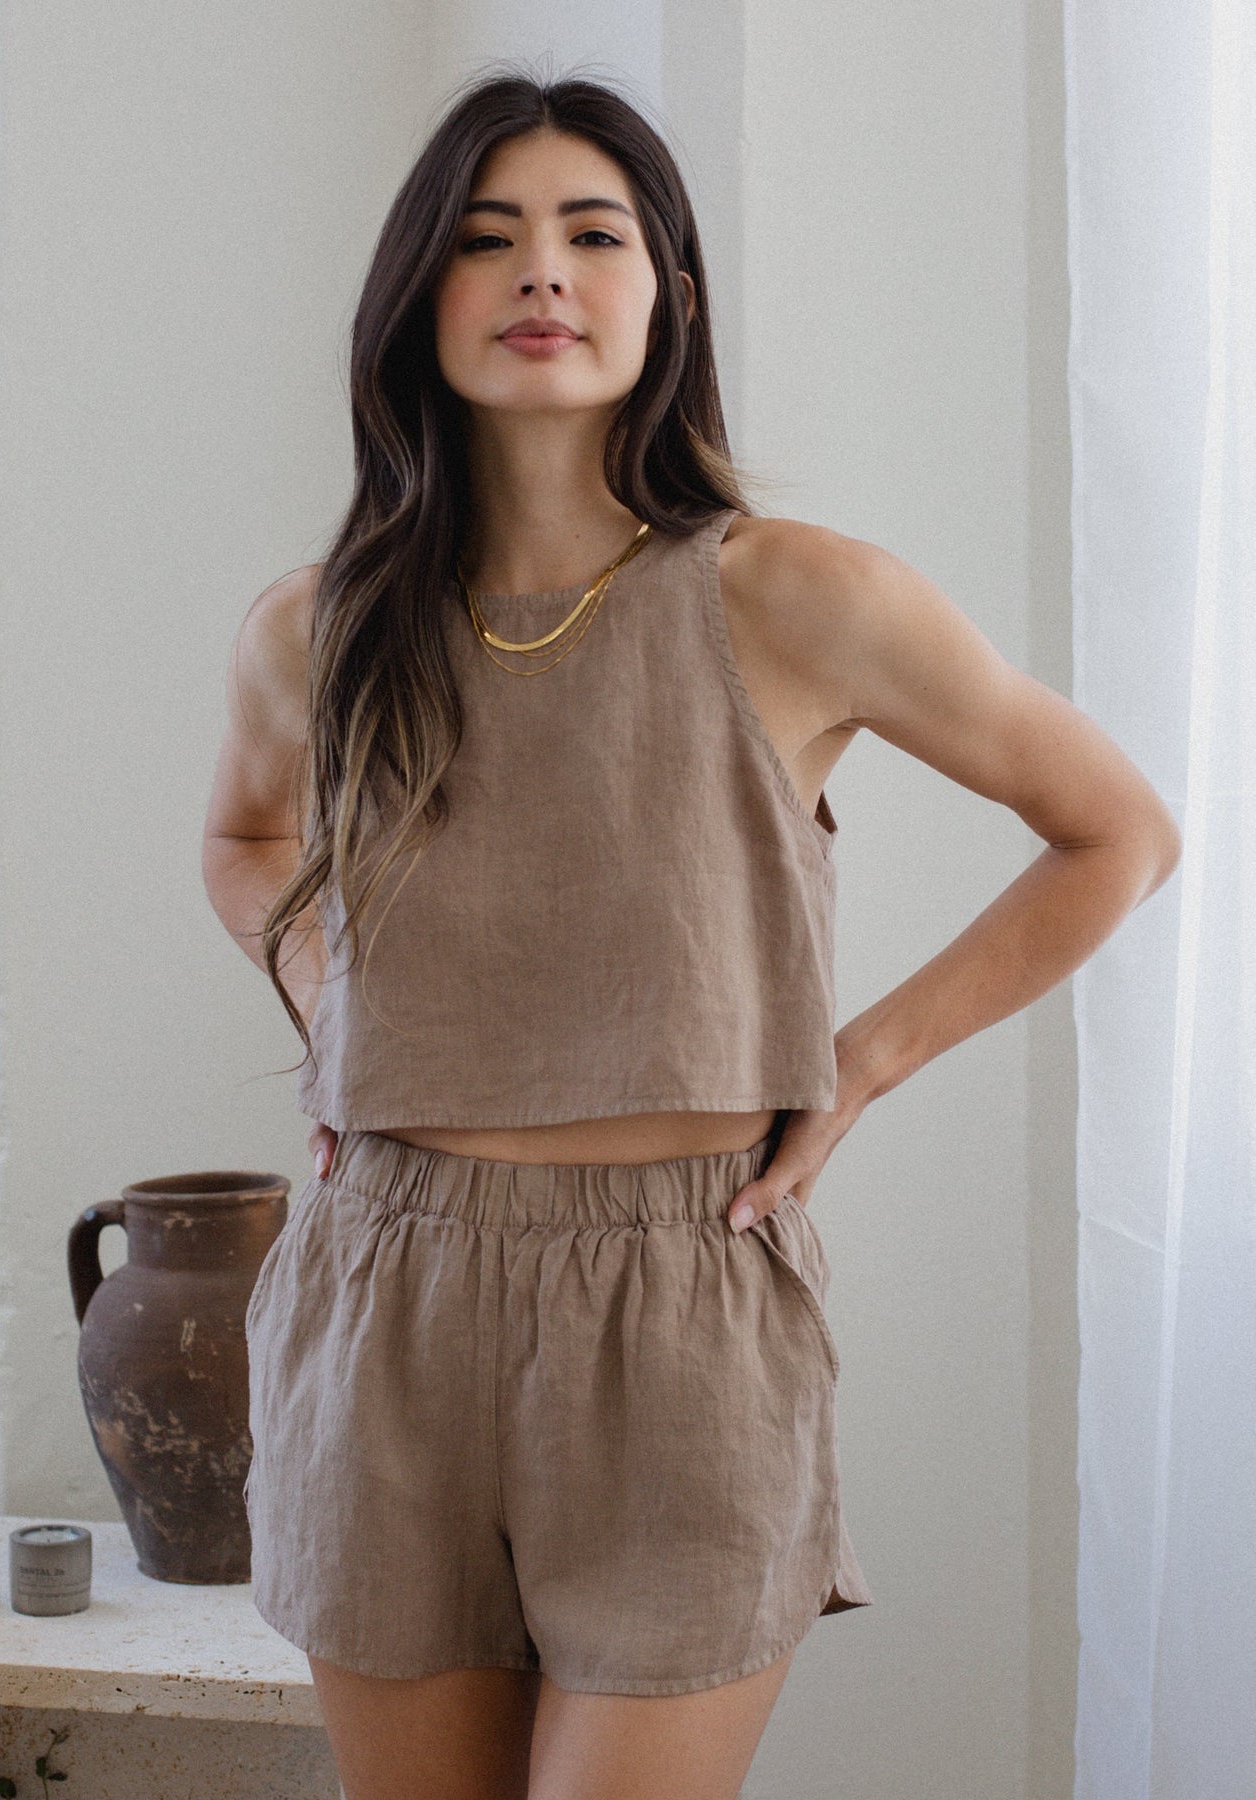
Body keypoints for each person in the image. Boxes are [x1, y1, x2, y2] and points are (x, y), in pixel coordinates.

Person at [201, 65, 1180, 1800]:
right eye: (486, 237)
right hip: (384, 1296)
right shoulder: (320, 625)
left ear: (672, 296)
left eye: (593, 234)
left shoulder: (794, 594)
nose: (541, 271)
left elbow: (1114, 832)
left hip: (681, 1303)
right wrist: (320, 987)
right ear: (417, 293)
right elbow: (244, 836)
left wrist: (857, 1064)